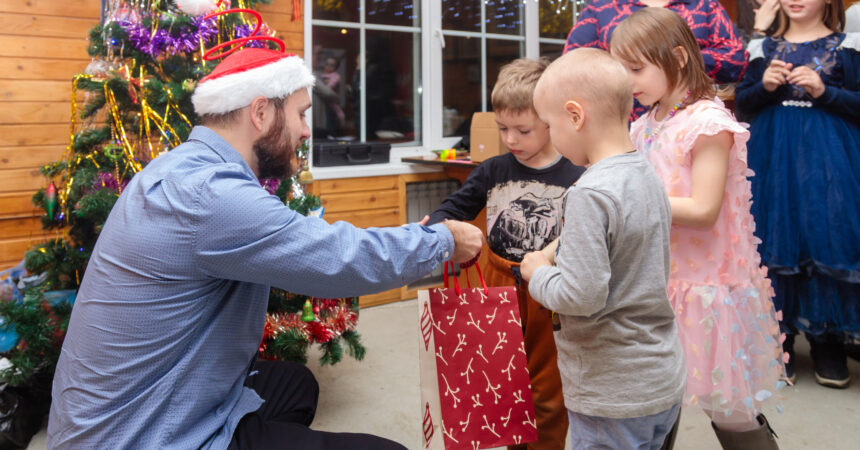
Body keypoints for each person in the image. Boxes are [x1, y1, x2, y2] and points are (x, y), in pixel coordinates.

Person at [46, 48, 484, 449]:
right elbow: (338, 258)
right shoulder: (210, 196)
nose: (306, 131)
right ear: (260, 112)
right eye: (300, 114)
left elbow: (306, 245)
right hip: (137, 434)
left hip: (153, 391)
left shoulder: (183, 167)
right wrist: (443, 241)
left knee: (296, 385)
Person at [610, 7, 787, 448]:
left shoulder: (708, 123)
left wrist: (633, 202)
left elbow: (705, 208)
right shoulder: (644, 125)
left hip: (705, 286)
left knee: (730, 411)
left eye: (636, 68)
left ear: (678, 58)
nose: (627, 80)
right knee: (653, 401)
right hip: (656, 282)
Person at [521, 47, 685, 450]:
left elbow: (581, 295)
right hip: (662, 379)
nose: (551, 138)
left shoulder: (590, 193)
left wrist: (536, 272)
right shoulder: (645, 173)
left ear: (575, 116)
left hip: (612, 396)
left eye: (549, 125)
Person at [426, 58, 585, 450]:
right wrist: (438, 225)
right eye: (503, 129)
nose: (511, 139)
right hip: (497, 291)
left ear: (552, 120)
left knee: (548, 394)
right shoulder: (493, 170)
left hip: (551, 298)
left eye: (523, 130)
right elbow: (455, 207)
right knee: (505, 385)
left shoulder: (579, 175)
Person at [735, 0, 859, 388]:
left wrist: (825, 91)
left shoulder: (849, 44)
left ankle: (828, 341)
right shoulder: (760, 48)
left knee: (827, 236)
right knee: (773, 241)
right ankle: (779, 339)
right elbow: (742, 104)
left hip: (831, 159)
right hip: (772, 159)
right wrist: (766, 87)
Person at [565, 0, 746, 118]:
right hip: (620, 122)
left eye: (636, 68)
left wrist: (666, 59)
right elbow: (573, 65)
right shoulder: (601, 6)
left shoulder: (703, 4)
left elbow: (736, 59)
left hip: (685, 112)